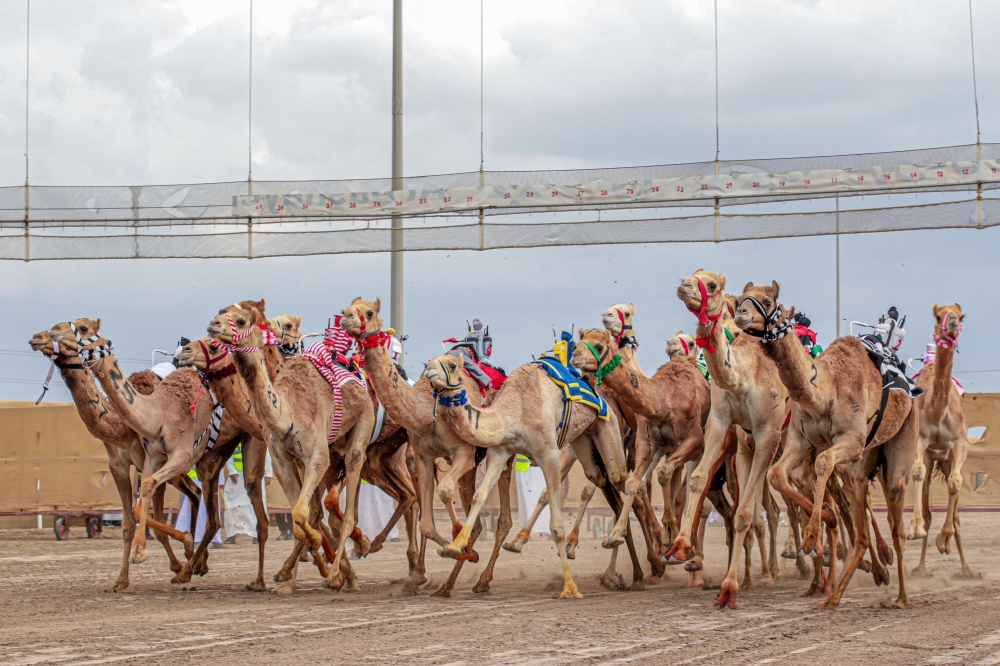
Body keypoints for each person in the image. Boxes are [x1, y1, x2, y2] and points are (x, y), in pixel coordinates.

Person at [223, 443, 274, 544]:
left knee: (256, 506)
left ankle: (257, 534)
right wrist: (232, 471)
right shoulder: (234, 437)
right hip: (237, 476)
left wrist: (268, 474)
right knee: (232, 505)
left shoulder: (258, 438)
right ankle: (232, 535)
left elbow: (266, 454)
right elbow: (228, 452)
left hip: (255, 474)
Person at [176, 466, 225, 548]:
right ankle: (196, 539)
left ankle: (216, 539)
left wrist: (221, 480)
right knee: (198, 510)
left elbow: (219, 462)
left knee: (213, 509)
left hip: (211, 480)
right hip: (194, 481)